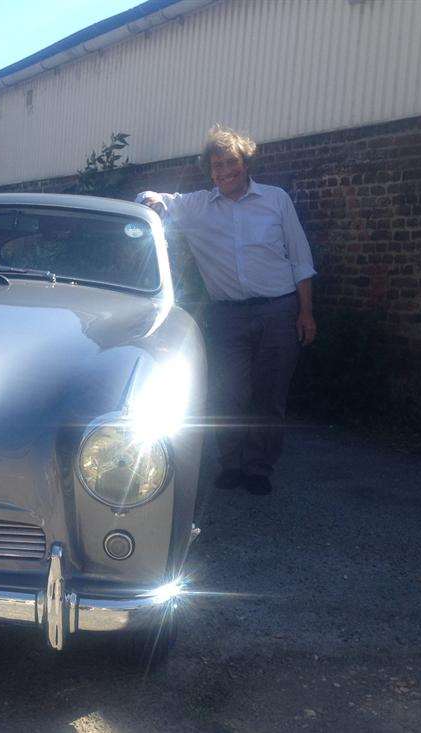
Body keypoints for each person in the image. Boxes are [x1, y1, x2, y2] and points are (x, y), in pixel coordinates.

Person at [137, 125, 317, 495]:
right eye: (216, 165)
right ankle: (231, 464)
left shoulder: (276, 200)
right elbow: (152, 198)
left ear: (245, 162)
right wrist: (148, 197)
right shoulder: (196, 207)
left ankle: (259, 468)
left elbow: (300, 259)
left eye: (230, 162)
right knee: (228, 394)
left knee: (270, 397)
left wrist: (306, 313)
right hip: (228, 316)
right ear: (210, 170)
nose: (223, 171)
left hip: (278, 311)